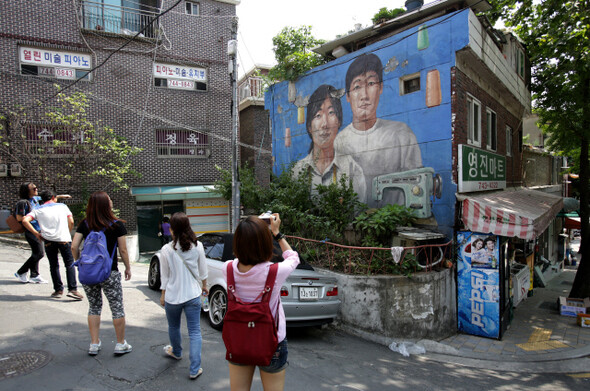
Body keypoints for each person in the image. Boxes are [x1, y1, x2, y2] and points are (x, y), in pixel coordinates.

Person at [334, 53, 423, 208]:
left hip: (396, 222)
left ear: (381, 87)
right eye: (357, 87)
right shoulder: (340, 141)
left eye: (371, 83)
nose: (364, 96)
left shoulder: (402, 134)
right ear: (348, 96)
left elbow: (417, 188)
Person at [223, 213, 299, 391]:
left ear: (237, 242)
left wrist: (250, 229)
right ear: (265, 244)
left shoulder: (226, 269)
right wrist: (277, 233)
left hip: (239, 340)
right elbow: (293, 257)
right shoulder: (275, 271)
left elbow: (238, 261)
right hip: (272, 342)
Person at [71, 191, 132, 356]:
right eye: (109, 199)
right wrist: (127, 267)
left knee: (94, 307)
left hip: (89, 274)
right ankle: (120, 344)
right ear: (106, 205)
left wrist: (80, 264)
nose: (111, 201)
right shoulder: (117, 224)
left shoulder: (85, 224)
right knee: (117, 307)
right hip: (109, 273)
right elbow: (123, 250)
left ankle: (94, 344)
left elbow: (74, 246)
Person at [292, 84, 366, 201]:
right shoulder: (298, 171)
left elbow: (358, 213)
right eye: (318, 115)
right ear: (309, 126)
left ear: (339, 121)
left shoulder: (352, 169)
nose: (324, 124)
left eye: (331, 113)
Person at [158, 212, 208, 379]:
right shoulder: (198, 246)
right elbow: (203, 271)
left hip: (173, 296)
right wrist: (205, 287)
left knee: (174, 326)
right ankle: (195, 369)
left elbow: (164, 275)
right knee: (194, 331)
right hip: (194, 295)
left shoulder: (166, 249)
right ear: (188, 226)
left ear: (172, 229)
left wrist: (163, 294)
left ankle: (177, 352)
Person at [22, 189, 83, 300]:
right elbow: (71, 221)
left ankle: (58, 289)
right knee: (69, 264)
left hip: (48, 240)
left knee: (54, 265)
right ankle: (72, 289)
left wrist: (36, 234)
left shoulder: (38, 209)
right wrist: (67, 232)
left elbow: (25, 220)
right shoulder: (62, 207)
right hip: (63, 238)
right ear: (54, 198)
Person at [13, 182, 46, 283]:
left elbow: (47, 199)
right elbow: (19, 217)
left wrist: (62, 196)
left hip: (38, 229)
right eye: (34, 188)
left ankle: (34, 275)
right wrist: (31, 220)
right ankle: (21, 272)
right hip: (31, 231)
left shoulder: (35, 200)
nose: (36, 189)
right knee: (40, 253)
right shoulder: (23, 202)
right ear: (27, 191)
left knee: (36, 253)